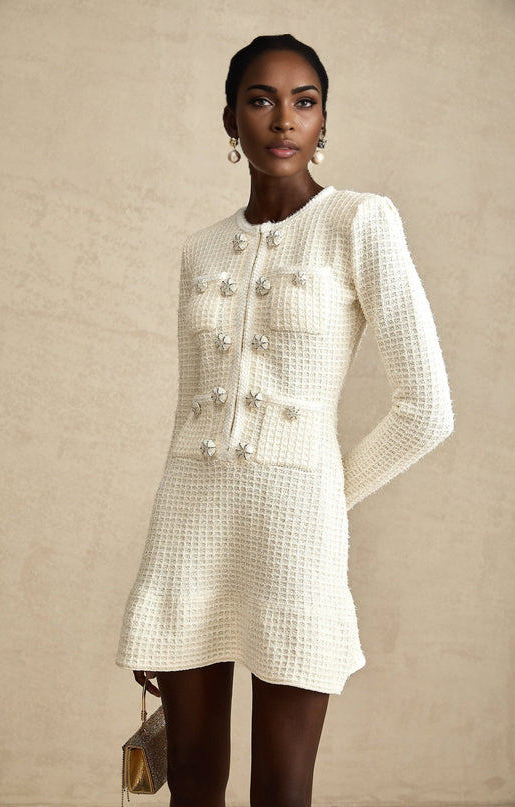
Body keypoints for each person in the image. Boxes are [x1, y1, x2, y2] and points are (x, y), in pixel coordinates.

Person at [115, 34, 455, 807]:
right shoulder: (199, 251)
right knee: (191, 784)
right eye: (261, 100)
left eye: (303, 102)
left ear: (324, 122)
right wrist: (155, 581)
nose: (282, 119)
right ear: (230, 121)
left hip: (296, 535)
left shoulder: (361, 222)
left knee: (282, 787)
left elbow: (426, 408)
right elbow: (186, 411)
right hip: (188, 528)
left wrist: (328, 499)